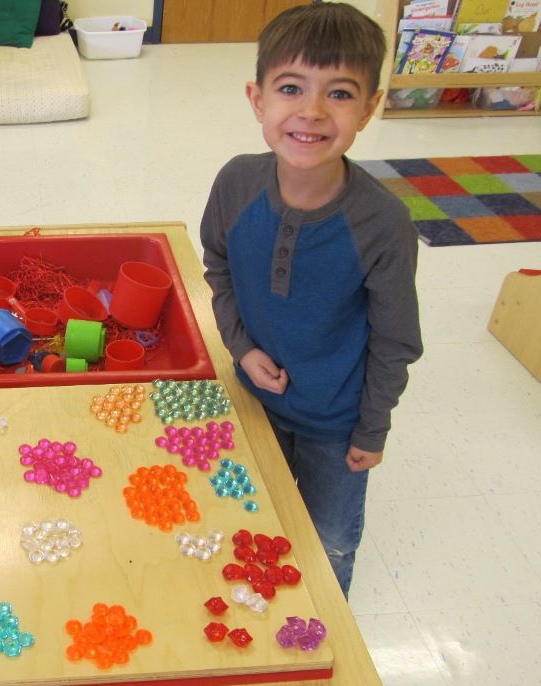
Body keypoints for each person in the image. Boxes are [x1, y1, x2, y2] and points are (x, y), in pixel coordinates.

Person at [200, 2, 423, 597]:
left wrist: (371, 430)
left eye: (341, 93)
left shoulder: (383, 224)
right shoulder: (236, 184)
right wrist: (242, 349)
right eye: (291, 87)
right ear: (258, 100)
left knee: (328, 542)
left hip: (336, 424)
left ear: (371, 107)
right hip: (255, 404)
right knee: (252, 522)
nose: (313, 112)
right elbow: (217, 267)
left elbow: (396, 339)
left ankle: (325, 622)